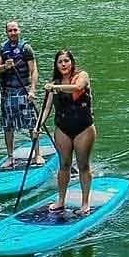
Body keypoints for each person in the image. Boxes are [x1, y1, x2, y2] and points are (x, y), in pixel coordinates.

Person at [36, 48, 96, 216]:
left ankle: (85, 203)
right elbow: (47, 108)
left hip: (83, 128)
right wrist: (38, 126)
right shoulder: (53, 82)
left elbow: (76, 87)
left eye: (66, 61)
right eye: (60, 62)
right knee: (64, 166)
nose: (64, 64)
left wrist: (55, 87)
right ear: (56, 65)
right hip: (62, 128)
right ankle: (60, 201)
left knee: (83, 165)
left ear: (72, 62)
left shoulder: (82, 76)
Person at [0, 20, 41, 168]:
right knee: (8, 126)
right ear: (7, 33)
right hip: (8, 92)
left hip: (23, 90)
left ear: (19, 31)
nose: (13, 33)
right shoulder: (1, 48)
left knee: (32, 123)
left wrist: (32, 90)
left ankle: (37, 155)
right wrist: (4, 67)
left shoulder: (26, 48)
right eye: (10, 31)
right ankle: (10, 157)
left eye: (15, 30)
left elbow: (34, 71)